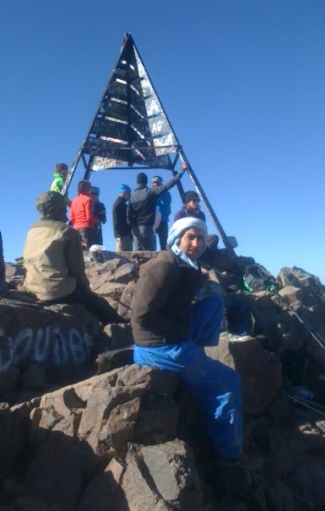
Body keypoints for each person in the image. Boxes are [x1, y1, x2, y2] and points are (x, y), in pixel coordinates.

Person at [131, 217, 246, 465]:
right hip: (157, 347)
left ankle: (197, 357)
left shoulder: (187, 264)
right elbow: (141, 315)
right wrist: (181, 335)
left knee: (213, 304)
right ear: (177, 238)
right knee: (228, 383)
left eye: (200, 238)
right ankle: (228, 455)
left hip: (173, 336)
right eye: (189, 237)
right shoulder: (164, 267)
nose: (195, 243)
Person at [23, 191, 124, 324]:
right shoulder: (66, 231)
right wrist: (87, 292)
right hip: (57, 292)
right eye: (63, 207)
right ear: (58, 209)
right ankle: (121, 329)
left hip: (32, 290)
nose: (66, 210)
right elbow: (77, 270)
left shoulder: (32, 230)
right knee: (99, 305)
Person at [127, 164, 187, 251]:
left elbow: (128, 215)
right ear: (146, 182)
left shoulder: (132, 196)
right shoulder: (150, 192)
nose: (155, 184)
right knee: (152, 253)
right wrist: (180, 173)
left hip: (136, 229)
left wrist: (131, 229)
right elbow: (168, 185)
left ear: (137, 182)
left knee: (138, 254)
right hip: (148, 226)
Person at [69, 180, 96, 249]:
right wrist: (95, 221)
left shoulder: (74, 201)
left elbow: (71, 218)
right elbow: (89, 216)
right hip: (87, 228)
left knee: (78, 249)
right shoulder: (88, 199)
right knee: (88, 249)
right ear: (88, 189)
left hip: (76, 228)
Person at [152, 175, 171, 250]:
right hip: (153, 221)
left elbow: (166, 205)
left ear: (160, 183)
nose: (155, 184)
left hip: (163, 220)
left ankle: (165, 259)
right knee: (151, 242)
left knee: (164, 242)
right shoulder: (150, 192)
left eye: (156, 182)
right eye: (153, 182)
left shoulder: (166, 193)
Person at [112, 184, 133, 251]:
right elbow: (124, 221)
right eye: (129, 193)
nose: (130, 196)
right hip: (123, 236)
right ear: (125, 193)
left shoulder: (117, 203)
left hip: (119, 235)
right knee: (126, 258)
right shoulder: (121, 205)